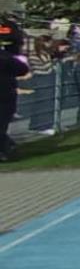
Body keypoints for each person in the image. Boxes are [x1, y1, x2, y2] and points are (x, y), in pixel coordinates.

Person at [0, 18, 29, 162]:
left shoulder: (6, 58)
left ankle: (5, 147)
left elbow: (22, 69)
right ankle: (4, 149)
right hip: (5, 96)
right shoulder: (6, 58)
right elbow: (22, 69)